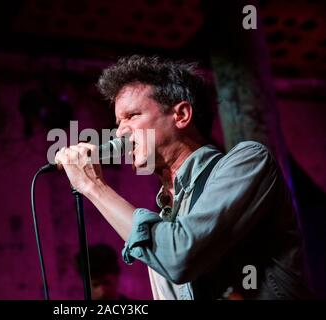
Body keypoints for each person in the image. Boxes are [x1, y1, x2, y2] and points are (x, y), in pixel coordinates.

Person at [55, 55, 312, 299]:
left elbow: (178, 254)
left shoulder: (250, 162)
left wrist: (94, 186)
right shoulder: (167, 216)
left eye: (132, 116)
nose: (120, 132)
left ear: (181, 115)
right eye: (118, 122)